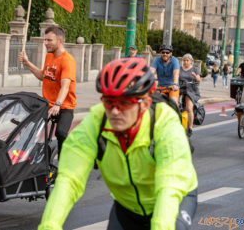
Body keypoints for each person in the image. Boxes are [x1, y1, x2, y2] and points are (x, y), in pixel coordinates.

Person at [38, 57, 198, 230]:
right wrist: (49, 225)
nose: (114, 111)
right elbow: (68, 181)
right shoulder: (95, 124)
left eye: (124, 103)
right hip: (128, 206)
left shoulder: (164, 124)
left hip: (175, 199)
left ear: (144, 104)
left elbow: (169, 187)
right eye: (109, 102)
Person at [18, 25, 76, 155]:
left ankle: (64, 158)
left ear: (60, 41)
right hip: (47, 104)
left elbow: (65, 85)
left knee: (60, 132)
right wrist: (27, 63)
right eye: (45, 40)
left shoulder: (68, 60)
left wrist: (57, 104)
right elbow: (43, 76)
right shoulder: (49, 56)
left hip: (64, 106)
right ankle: (23, 156)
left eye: (49, 40)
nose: (45, 43)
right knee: (29, 127)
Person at [179, 54, 201, 136]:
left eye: (187, 60)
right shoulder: (180, 69)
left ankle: (190, 127)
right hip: (180, 88)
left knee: (189, 108)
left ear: (191, 61)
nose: (185, 62)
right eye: (184, 60)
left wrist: (195, 76)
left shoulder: (195, 69)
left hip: (191, 89)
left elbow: (199, 80)